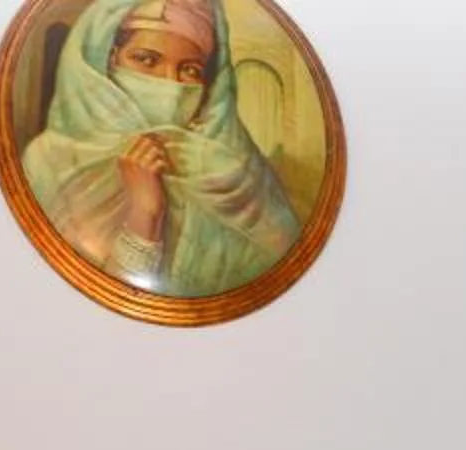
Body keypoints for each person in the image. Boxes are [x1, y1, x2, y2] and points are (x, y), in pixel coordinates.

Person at [20, 0, 301, 297]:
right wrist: (146, 215)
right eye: (146, 60)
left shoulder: (237, 178)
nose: (170, 85)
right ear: (109, 58)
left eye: (190, 70)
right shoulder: (47, 162)